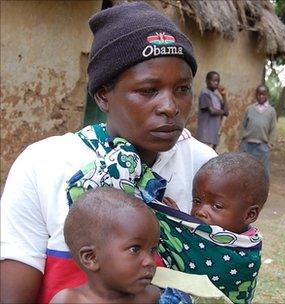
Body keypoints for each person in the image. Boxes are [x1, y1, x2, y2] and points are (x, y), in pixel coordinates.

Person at [0, 2, 217, 303]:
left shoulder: (204, 169)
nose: (170, 107)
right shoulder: (44, 165)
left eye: (182, 89)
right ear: (103, 95)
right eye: (148, 90)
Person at [51, 187, 231, 304]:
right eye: (135, 249)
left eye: (153, 250)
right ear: (91, 258)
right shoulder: (69, 300)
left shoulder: (153, 297)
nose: (150, 262)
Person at [162, 152, 268, 303]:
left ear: (249, 215)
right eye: (197, 200)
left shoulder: (244, 255)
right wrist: (178, 220)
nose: (200, 211)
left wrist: (174, 229)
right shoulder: (208, 229)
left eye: (216, 206)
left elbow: (198, 270)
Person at [239, 84, 277, 177]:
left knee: (263, 171)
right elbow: (243, 125)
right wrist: (241, 139)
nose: (261, 96)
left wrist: (270, 143)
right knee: (244, 168)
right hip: (247, 145)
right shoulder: (249, 109)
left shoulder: (271, 111)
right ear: (256, 95)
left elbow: (273, 128)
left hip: (262, 146)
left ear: (267, 95)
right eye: (259, 94)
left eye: (263, 94)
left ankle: (263, 190)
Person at [197, 71, 229, 150]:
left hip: (214, 135)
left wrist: (224, 96)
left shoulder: (216, 96)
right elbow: (212, 111)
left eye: (218, 81)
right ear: (207, 81)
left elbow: (226, 112)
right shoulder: (205, 94)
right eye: (214, 80)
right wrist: (223, 112)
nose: (216, 83)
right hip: (206, 135)